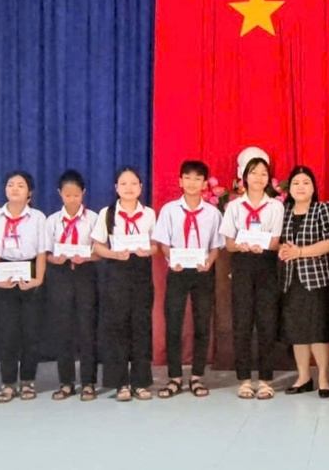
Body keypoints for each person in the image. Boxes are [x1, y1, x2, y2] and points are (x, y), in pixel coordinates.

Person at [153, 160, 223, 399]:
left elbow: (216, 245)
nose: (192, 183)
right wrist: (171, 259)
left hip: (203, 272)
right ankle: (174, 377)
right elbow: (163, 242)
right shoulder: (169, 210)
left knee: (202, 323)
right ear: (180, 181)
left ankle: (197, 376)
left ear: (204, 184)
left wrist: (209, 262)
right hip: (178, 271)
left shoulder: (212, 213)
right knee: (173, 323)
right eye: (188, 178)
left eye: (197, 179)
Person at [0, 170, 48, 403]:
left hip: (30, 271)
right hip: (3, 271)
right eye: (10, 184)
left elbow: (42, 251)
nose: (15, 188)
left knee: (31, 331)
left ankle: (28, 381)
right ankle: (8, 383)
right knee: (7, 332)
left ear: (30, 193)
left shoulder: (38, 217)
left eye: (20, 185)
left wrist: (38, 279)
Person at [91, 166, 158, 402]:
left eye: (133, 183)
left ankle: (141, 382)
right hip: (116, 272)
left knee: (141, 326)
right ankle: (120, 383)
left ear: (141, 187)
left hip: (141, 272)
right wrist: (114, 254)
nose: (129, 188)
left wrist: (147, 250)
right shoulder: (107, 213)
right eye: (123, 183)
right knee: (117, 327)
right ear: (116, 188)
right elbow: (97, 246)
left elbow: (156, 245)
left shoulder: (149, 214)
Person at [220, 157, 285, 400]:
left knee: (267, 322)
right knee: (242, 322)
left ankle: (266, 380)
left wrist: (262, 246)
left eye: (263, 173)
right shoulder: (234, 207)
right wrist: (241, 246)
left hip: (266, 263)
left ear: (269, 179)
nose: (259, 177)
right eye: (254, 172)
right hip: (242, 264)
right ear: (245, 177)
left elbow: (275, 241)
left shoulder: (276, 206)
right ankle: (245, 380)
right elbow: (229, 243)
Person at [278, 165, 329, 399]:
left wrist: (300, 252)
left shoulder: (324, 209)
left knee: (318, 329)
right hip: (290, 279)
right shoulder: (283, 211)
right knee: (297, 330)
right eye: (296, 183)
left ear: (314, 187)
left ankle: (323, 377)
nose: (300, 187)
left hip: (317, 280)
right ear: (289, 189)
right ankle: (303, 377)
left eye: (306, 182)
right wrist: (282, 250)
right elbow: (278, 241)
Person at [44, 169, 100, 402]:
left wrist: (87, 257)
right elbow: (45, 252)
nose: (72, 199)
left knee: (87, 329)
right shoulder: (52, 221)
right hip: (60, 274)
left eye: (76, 195)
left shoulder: (94, 218)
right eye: (67, 195)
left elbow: (100, 251)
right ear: (60, 194)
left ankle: (88, 382)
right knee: (63, 328)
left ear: (83, 193)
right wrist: (53, 259)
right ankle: (66, 382)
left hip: (86, 273)